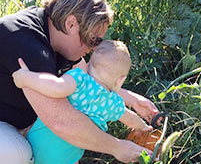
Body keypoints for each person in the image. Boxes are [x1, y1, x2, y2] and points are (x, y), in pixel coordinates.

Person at [0, 0, 160, 163]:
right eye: (94, 40)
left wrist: (133, 100)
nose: (93, 49)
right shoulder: (26, 43)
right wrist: (117, 147)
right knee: (17, 154)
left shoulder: (54, 33)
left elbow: (91, 82)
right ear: (71, 24)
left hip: (19, 122)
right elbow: (60, 120)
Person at [12, 40, 154, 164]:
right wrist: (143, 128)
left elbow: (56, 86)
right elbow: (130, 119)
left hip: (36, 143)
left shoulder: (78, 78)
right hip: (65, 158)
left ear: (88, 65)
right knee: (75, 152)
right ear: (120, 80)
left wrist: (25, 78)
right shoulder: (112, 103)